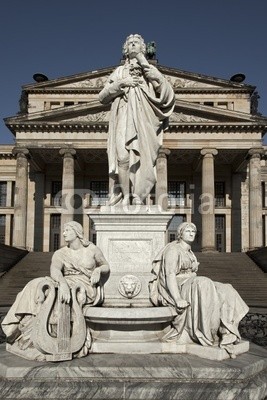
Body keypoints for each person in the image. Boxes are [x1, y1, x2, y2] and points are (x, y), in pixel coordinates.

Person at [1, 221, 110, 360]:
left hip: (84, 286)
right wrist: (63, 283)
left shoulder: (92, 249)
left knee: (57, 294)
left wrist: (98, 270)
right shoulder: (60, 253)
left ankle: (58, 338)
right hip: (65, 281)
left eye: (67, 230)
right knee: (35, 285)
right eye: (63, 230)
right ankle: (22, 329)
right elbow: (55, 270)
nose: (63, 233)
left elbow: (105, 265)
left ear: (76, 232)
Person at [149, 222, 249, 357]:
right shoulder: (173, 250)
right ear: (180, 234)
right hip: (180, 287)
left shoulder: (189, 252)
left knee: (226, 289)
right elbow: (170, 275)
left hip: (193, 283)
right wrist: (177, 298)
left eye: (193, 231)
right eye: (188, 231)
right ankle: (206, 334)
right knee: (204, 283)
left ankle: (226, 332)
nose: (191, 233)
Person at [99, 34, 175, 205]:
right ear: (125, 49)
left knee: (145, 159)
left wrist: (145, 65)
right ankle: (126, 196)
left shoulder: (149, 71)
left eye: (137, 43)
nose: (133, 45)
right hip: (123, 117)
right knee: (123, 158)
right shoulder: (118, 72)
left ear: (143, 48)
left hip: (144, 120)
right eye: (130, 43)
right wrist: (121, 84)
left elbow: (166, 93)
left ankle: (139, 196)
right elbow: (102, 97)